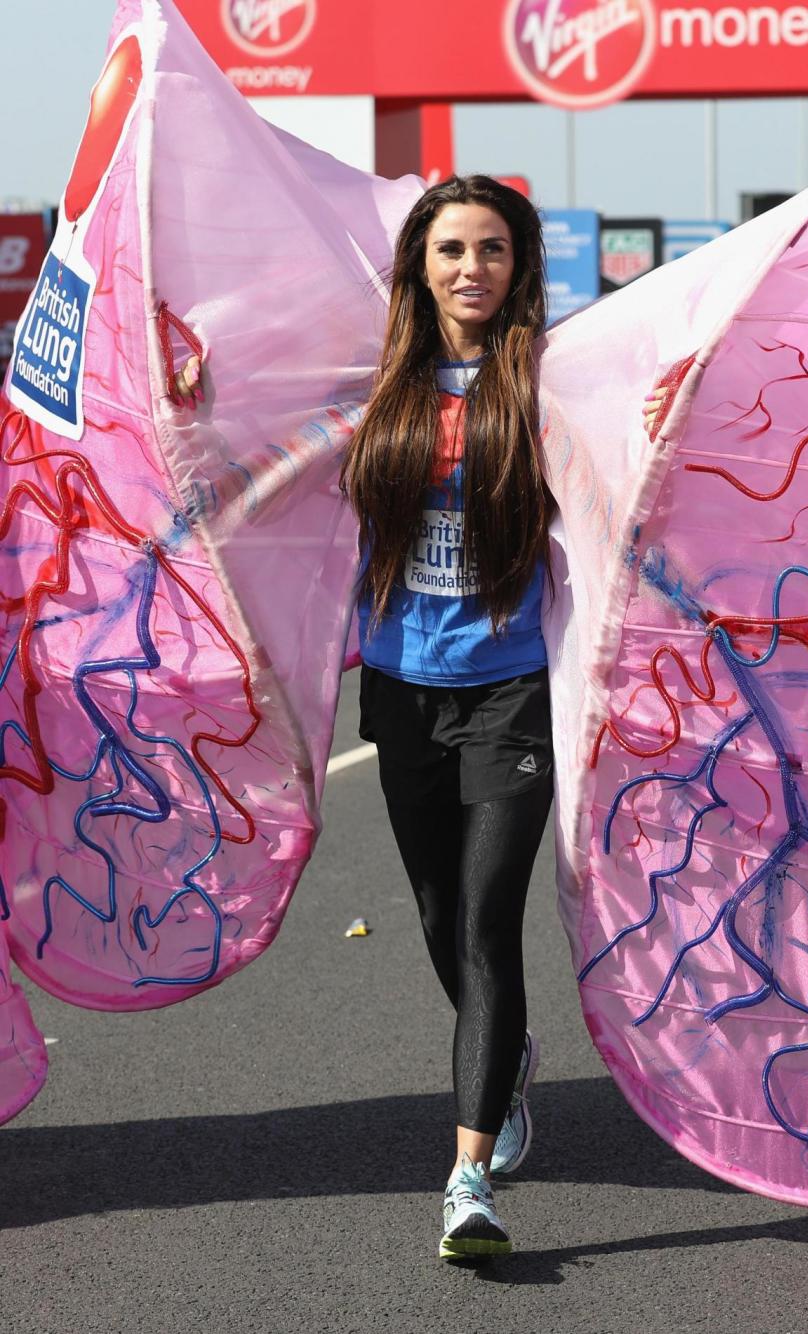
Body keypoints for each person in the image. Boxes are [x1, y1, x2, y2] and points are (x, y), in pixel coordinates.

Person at [175, 174, 667, 1262]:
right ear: (421, 266)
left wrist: (658, 418)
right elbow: (247, 482)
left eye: (492, 249)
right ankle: (507, 1057)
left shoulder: (550, 382)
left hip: (509, 697)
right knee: (443, 920)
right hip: (402, 693)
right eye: (452, 249)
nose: (471, 268)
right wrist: (190, 402)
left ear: (519, 264)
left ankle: (468, 1175)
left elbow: (629, 470)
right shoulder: (377, 392)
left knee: (488, 928)